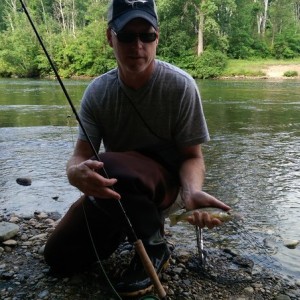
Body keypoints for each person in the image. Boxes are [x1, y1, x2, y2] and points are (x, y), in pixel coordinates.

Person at [44, 0, 230, 297]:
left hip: (163, 188)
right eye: (127, 36)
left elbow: (192, 157)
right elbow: (80, 156)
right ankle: (128, 230)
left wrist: (192, 192)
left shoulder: (181, 86)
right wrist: (73, 173)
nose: (138, 45)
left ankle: (156, 246)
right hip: (120, 191)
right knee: (59, 258)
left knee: (107, 165)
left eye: (147, 36)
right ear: (110, 38)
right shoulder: (98, 92)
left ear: (158, 37)